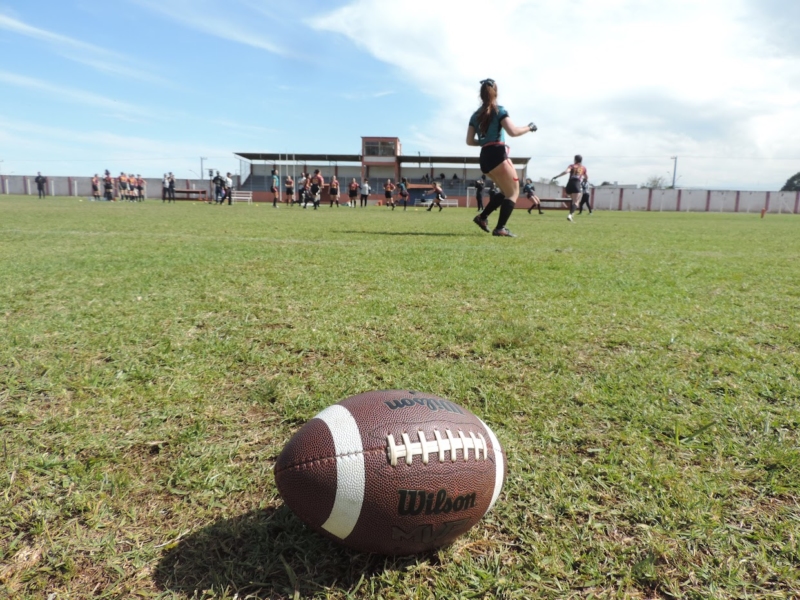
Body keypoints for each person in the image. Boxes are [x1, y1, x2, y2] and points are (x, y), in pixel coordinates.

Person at [468, 78, 538, 237]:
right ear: (496, 93)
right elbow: (513, 132)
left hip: (485, 157)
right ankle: (500, 228)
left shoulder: (475, 116)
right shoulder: (499, 110)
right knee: (513, 193)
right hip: (498, 154)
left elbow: (469, 141)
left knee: (506, 191)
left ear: (481, 94)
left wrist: (485, 142)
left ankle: (482, 217)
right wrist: (529, 127)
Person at [552, 155, 587, 222]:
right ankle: (570, 215)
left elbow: (566, 172)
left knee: (573, 200)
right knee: (576, 201)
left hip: (569, 185)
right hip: (576, 184)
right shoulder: (583, 168)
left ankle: (571, 214)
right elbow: (586, 176)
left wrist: (557, 176)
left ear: (575, 160)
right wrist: (585, 180)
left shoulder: (572, 166)